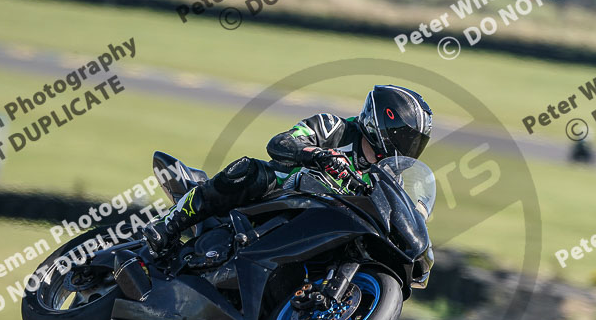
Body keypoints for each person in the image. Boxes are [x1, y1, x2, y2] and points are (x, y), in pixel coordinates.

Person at [143, 85, 433, 255]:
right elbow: (280, 142)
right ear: (383, 123)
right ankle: (169, 223)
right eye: (406, 137)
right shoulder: (335, 128)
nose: (409, 147)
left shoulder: (387, 175)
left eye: (416, 142)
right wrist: (318, 155)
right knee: (250, 171)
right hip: (284, 193)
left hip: (321, 225)